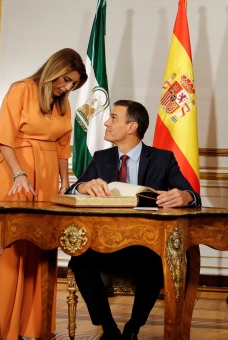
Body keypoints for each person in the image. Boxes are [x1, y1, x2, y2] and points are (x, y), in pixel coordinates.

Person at [66, 99, 201, 340]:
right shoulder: (101, 158)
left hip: (145, 246)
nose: (106, 122)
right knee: (79, 260)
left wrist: (183, 196)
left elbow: (193, 196)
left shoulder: (163, 159)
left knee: (156, 263)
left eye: (114, 118)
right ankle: (108, 329)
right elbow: (71, 192)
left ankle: (133, 328)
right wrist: (85, 186)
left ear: (132, 127)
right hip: (104, 245)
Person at [0, 48, 88, 339]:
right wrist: (19, 173)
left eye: (73, 85)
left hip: (46, 176)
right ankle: (5, 327)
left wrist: (63, 181)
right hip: (16, 172)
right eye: (66, 79)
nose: (67, 87)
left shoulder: (63, 104)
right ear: (55, 68)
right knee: (14, 246)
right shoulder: (20, 89)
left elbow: (62, 148)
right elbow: (4, 138)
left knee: (43, 247)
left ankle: (34, 326)